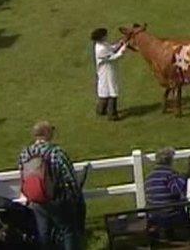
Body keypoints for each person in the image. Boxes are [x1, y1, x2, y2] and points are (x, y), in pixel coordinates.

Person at [18, 121, 85, 250]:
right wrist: (75, 196)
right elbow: (69, 177)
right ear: (47, 133)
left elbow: (23, 176)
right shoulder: (56, 152)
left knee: (44, 233)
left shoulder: (25, 153)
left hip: (37, 199)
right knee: (68, 231)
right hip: (58, 199)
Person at [144, 148, 188, 230]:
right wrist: (182, 177)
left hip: (153, 216)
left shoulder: (149, 177)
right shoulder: (169, 175)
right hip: (169, 216)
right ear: (170, 161)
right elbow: (176, 191)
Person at [91, 27, 127, 121]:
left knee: (104, 91)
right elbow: (112, 57)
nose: (107, 36)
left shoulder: (101, 45)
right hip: (107, 71)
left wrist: (120, 43)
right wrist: (122, 50)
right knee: (112, 90)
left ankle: (101, 109)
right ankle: (112, 114)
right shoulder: (101, 49)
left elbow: (111, 48)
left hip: (106, 70)